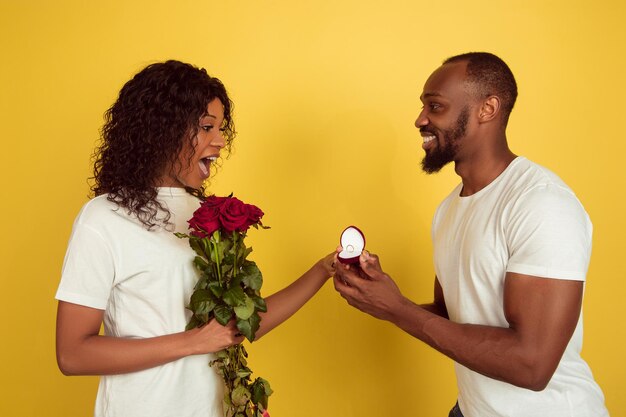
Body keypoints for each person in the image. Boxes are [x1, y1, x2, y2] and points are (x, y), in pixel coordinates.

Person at [333, 52, 609, 417]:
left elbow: (532, 364)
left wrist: (397, 309)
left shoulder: (541, 204)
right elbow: (452, 317)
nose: (420, 119)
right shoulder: (449, 209)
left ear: (488, 109)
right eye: (423, 106)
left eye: (436, 106)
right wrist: (381, 296)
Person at [55, 60, 335, 417]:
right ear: (161, 130)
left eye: (220, 128)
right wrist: (193, 341)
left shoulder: (207, 213)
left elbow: (239, 326)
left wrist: (323, 270)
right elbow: (72, 353)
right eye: (206, 127)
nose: (219, 142)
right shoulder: (103, 218)